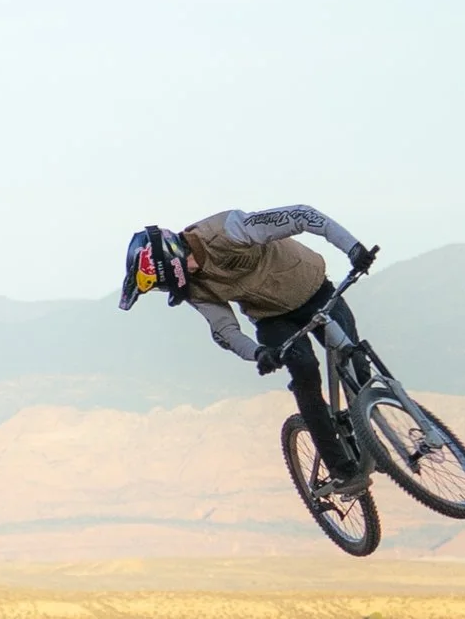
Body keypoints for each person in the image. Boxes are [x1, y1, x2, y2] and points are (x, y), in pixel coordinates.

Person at [120, 206, 379, 486]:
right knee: (304, 373)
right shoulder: (193, 289)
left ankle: (373, 440)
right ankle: (342, 469)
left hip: (314, 289)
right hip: (272, 319)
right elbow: (226, 330)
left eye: (167, 280)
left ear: (174, 258)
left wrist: (352, 248)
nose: (174, 284)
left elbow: (302, 216)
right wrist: (258, 353)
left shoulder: (229, 230)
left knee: (355, 362)